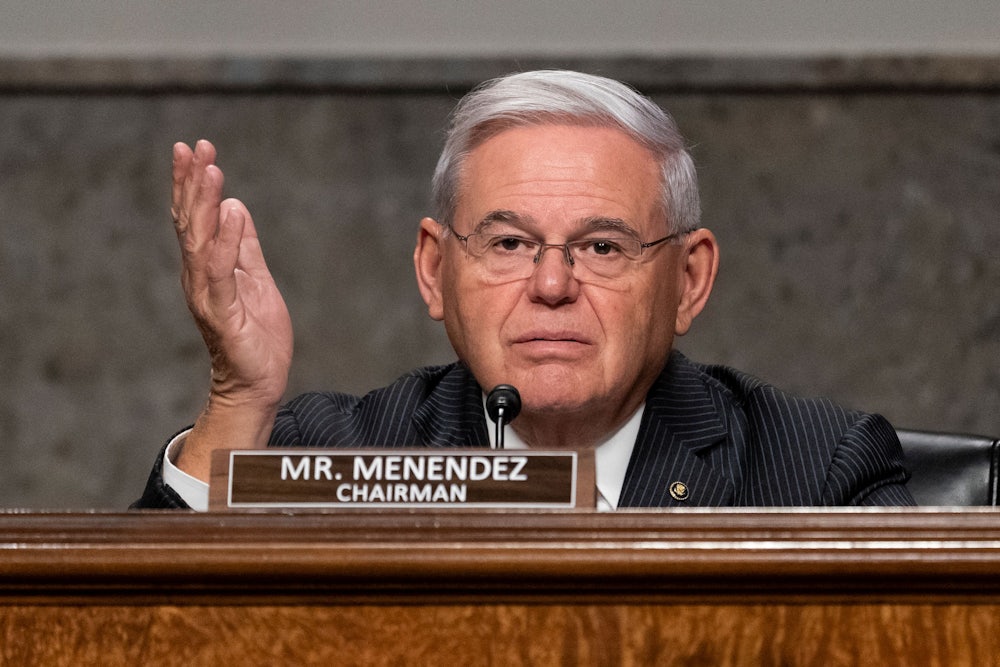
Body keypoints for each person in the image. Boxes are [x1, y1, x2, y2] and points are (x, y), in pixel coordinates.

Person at [134, 69, 914, 510]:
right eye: (508, 243)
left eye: (602, 246)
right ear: (435, 269)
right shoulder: (328, 451)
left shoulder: (820, 473)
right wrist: (239, 398)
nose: (550, 284)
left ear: (690, 278)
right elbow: (143, 641)